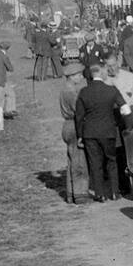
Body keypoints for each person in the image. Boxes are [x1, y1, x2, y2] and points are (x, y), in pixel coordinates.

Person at [75, 62, 128, 203]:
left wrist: (80, 135)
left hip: (90, 132)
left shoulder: (84, 92)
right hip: (108, 131)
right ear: (101, 73)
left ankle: (100, 194)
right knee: (111, 161)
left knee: (95, 163)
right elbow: (125, 109)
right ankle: (115, 192)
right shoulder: (111, 90)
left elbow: (79, 116)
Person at [58, 63, 91, 202]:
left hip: (67, 124)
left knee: (71, 159)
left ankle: (71, 193)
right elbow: (79, 111)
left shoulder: (64, 89)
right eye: (78, 75)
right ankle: (80, 194)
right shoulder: (71, 91)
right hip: (74, 125)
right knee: (79, 161)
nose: (81, 77)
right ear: (71, 76)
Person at [104, 52, 133, 132]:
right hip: (112, 115)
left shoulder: (129, 77)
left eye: (114, 65)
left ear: (118, 63)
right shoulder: (103, 81)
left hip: (130, 113)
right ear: (105, 66)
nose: (112, 69)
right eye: (109, 66)